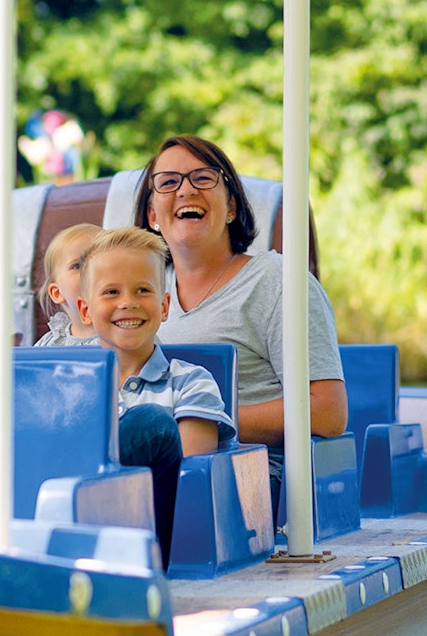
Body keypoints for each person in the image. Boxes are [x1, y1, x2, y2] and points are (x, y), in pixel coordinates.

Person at [134, 135, 347, 517]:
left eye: (202, 178)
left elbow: (328, 411)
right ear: (152, 215)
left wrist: (197, 420)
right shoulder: (141, 291)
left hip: (252, 480)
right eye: (168, 182)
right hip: (158, 469)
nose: (184, 190)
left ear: (231, 206)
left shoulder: (277, 280)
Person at [76, 226, 236, 561]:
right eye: (111, 292)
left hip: (156, 535)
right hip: (74, 524)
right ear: (86, 310)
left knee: (153, 424)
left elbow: (189, 479)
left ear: (164, 307)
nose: (128, 303)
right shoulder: (73, 386)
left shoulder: (192, 382)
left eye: (142, 290)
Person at [33, 223, 101, 347]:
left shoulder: (126, 338)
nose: (93, 270)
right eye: (77, 266)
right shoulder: (49, 344)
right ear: (57, 293)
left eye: (102, 262)